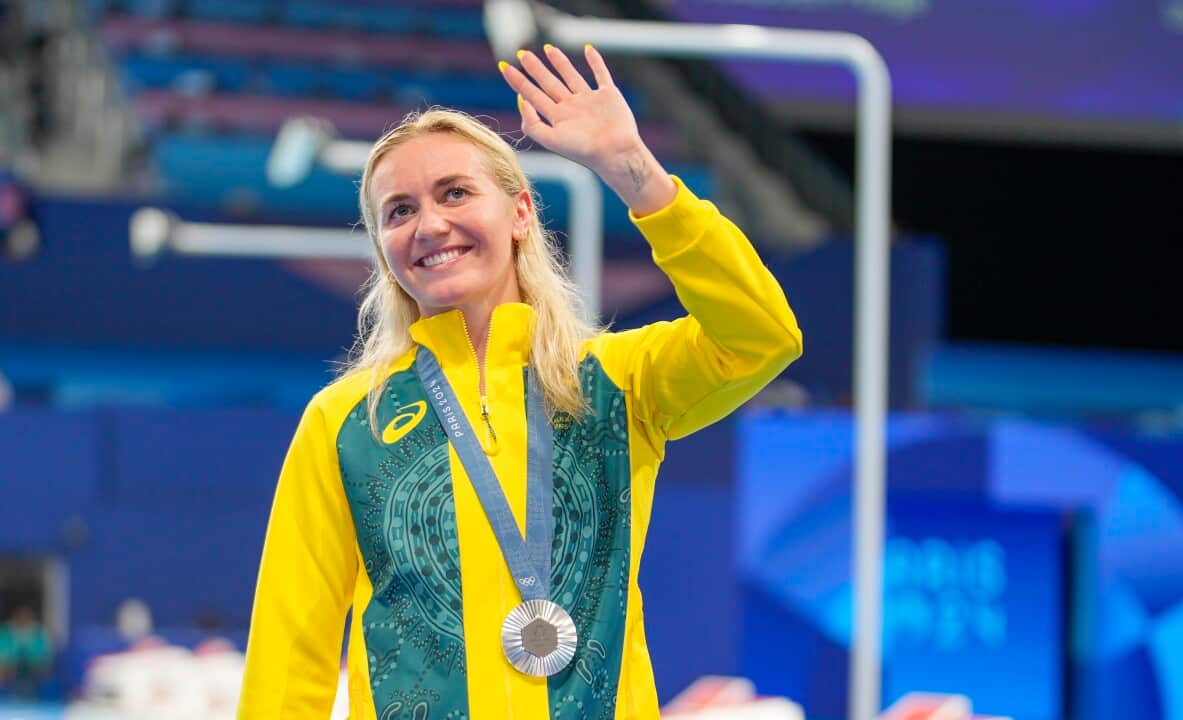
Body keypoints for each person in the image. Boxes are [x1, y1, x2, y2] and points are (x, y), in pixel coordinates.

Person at [237, 44, 801, 720]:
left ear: (521, 214)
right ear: (384, 250)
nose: (430, 224)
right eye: (399, 211)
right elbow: (289, 652)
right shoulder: (347, 419)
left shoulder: (616, 382)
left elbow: (762, 335)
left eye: (455, 192)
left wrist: (636, 172)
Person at [0, 605, 53, 699]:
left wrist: (33, 660)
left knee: (43, 669)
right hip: (10, 669)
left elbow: (46, 655)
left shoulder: (39, 632)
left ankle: (38, 698)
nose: (23, 617)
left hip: (34, 669)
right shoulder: (5, 631)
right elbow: (3, 655)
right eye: (20, 615)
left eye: (26, 615)